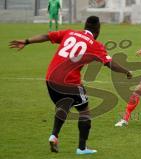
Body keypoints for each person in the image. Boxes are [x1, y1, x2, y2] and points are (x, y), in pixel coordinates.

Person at [9, 16, 132, 155]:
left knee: (64, 105)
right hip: (69, 82)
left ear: (85, 25)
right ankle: (82, 148)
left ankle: (54, 136)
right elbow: (109, 63)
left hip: (50, 78)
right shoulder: (95, 44)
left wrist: (26, 41)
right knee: (85, 112)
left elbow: (47, 36)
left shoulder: (69, 32)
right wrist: (126, 71)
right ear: (98, 30)